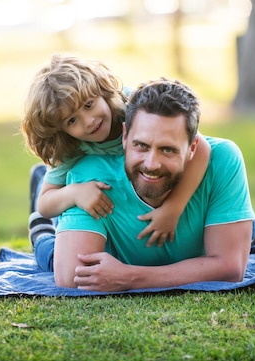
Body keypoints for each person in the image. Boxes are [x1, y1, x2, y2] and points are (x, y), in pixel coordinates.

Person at [51, 78, 255, 291]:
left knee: (249, 232)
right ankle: (40, 225)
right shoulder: (90, 178)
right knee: (47, 249)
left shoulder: (222, 159)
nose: (152, 164)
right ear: (124, 137)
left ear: (192, 147)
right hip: (66, 213)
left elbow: (230, 269)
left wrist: (130, 277)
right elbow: (71, 278)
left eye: (167, 149)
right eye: (141, 145)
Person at [21, 54, 211, 271]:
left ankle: (41, 176)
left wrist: (173, 209)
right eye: (72, 120)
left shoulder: (134, 107)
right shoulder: (69, 148)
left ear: (102, 90)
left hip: (129, 199)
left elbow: (202, 147)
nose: (89, 121)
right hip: (88, 203)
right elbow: (45, 204)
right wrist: (74, 193)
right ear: (61, 129)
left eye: (89, 105)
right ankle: (41, 229)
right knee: (60, 260)